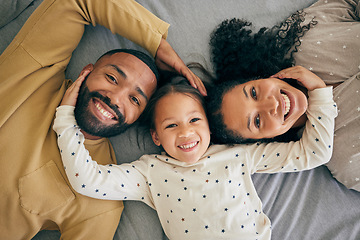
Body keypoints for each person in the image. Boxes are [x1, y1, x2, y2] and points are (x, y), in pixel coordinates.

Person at [0, 0, 206, 238]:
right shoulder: (35, 73)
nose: (116, 99)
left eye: (135, 100)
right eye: (112, 78)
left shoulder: (101, 191)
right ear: (86, 71)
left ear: (139, 118)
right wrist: (158, 45)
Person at [53, 68, 336, 239]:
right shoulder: (149, 172)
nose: (186, 133)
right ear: (156, 136)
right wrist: (65, 119)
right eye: (171, 125)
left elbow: (313, 153)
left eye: (194, 121)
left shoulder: (239, 155)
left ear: (209, 127)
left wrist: (320, 93)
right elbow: (87, 180)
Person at [207, 0, 360, 190]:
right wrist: (319, 92)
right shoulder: (344, 159)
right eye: (257, 121)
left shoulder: (302, 37)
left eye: (254, 92)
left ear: (257, 77)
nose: (271, 104)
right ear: (266, 141)